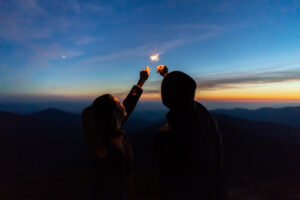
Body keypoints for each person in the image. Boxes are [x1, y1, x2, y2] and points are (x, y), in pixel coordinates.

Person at [155, 65, 227, 200]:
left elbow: (172, 180)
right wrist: (167, 76)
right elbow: (183, 93)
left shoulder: (172, 134)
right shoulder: (204, 116)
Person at [81, 67, 150, 200]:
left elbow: (129, 104)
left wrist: (141, 81)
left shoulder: (113, 130)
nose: (122, 104)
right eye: (119, 103)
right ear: (114, 114)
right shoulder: (107, 150)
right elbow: (113, 188)